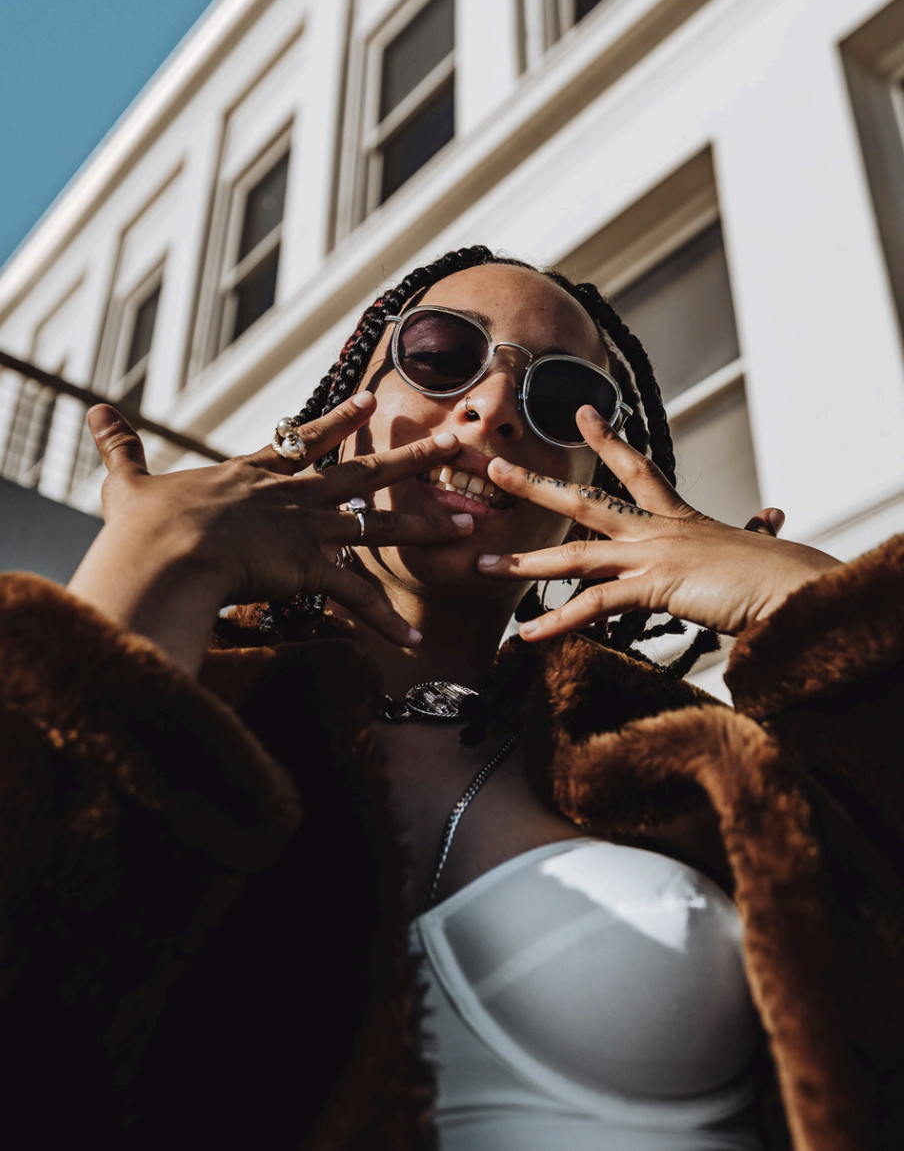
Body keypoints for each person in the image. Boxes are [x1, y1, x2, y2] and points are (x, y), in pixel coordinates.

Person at [0, 245, 901, 1150]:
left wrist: (813, 603)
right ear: (347, 416)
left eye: (562, 399)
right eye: (438, 356)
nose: (494, 406)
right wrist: (150, 564)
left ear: (583, 485)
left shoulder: (684, 749)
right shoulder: (194, 693)